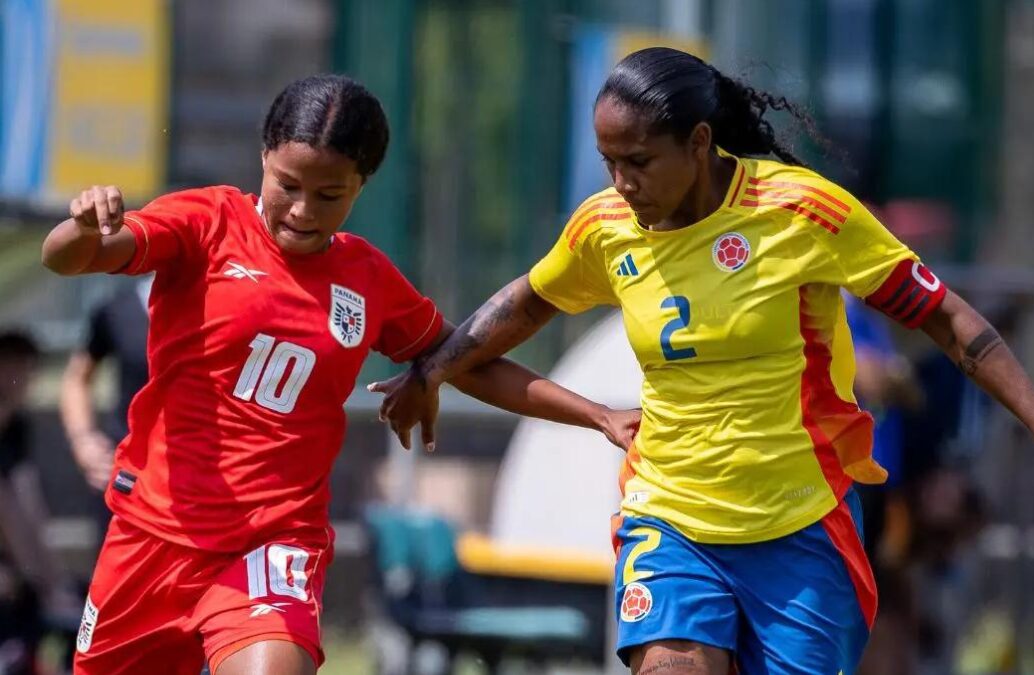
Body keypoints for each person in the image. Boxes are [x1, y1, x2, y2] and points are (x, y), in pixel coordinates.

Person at [371, 47, 1034, 675]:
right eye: (609, 161)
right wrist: (431, 369)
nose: (621, 182)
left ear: (700, 144)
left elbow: (944, 314)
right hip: (669, 515)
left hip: (799, 528)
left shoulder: (803, 212)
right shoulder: (607, 227)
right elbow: (529, 301)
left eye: (639, 160)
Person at [40, 74, 640, 675]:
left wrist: (596, 415)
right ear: (264, 158)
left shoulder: (366, 278)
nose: (302, 210)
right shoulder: (207, 223)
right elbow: (71, 256)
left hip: (272, 542)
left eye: (329, 195)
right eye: (288, 185)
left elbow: (467, 361)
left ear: (360, 187)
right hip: (154, 533)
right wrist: (84, 225)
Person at [0, 330, 80, 675]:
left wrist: (51, 578)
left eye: (29, 365)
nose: (23, 374)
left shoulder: (17, 427)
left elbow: (27, 504)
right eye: (13, 363)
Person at [60, 276, 151, 546]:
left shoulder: (224, 306)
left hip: (202, 476)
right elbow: (77, 378)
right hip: (130, 473)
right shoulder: (118, 309)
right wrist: (83, 441)